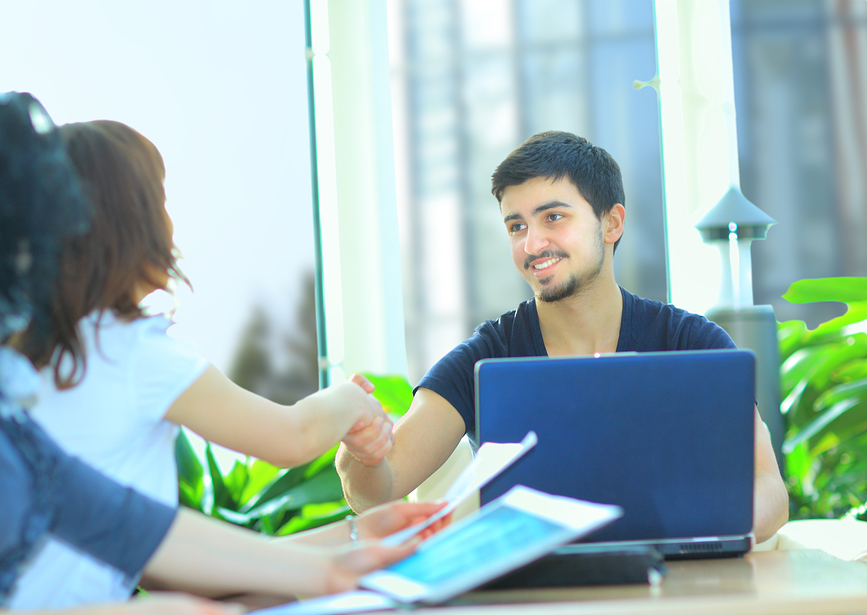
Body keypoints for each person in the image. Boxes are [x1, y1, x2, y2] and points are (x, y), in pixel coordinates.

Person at [0, 73, 441, 613]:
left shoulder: (9, 400)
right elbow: (291, 436)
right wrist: (351, 406)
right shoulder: (124, 350)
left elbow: (132, 532)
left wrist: (341, 554)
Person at [336, 130, 790, 544]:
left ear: (611, 223)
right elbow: (380, 490)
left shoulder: (692, 342)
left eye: (553, 217)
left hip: (675, 584)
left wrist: (683, 529)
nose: (532, 244)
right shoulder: (486, 356)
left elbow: (769, 489)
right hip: (536, 596)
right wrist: (361, 454)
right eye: (517, 226)